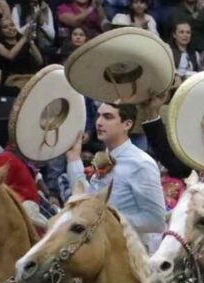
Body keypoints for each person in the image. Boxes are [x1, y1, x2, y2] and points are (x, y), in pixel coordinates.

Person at [65, 102, 167, 241]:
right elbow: (88, 201)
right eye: (98, 116)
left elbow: (156, 222)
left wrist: (105, 219)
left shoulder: (141, 163)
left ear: (127, 125)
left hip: (129, 249)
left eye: (108, 117)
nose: (99, 122)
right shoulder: (103, 157)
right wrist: (74, 159)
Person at [0, 16, 42, 86]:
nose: (10, 28)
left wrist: (30, 41)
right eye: (5, 27)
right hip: (14, 78)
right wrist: (24, 37)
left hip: (30, 76)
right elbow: (10, 55)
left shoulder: (23, 41)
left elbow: (39, 61)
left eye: (12, 25)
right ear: (0, 31)